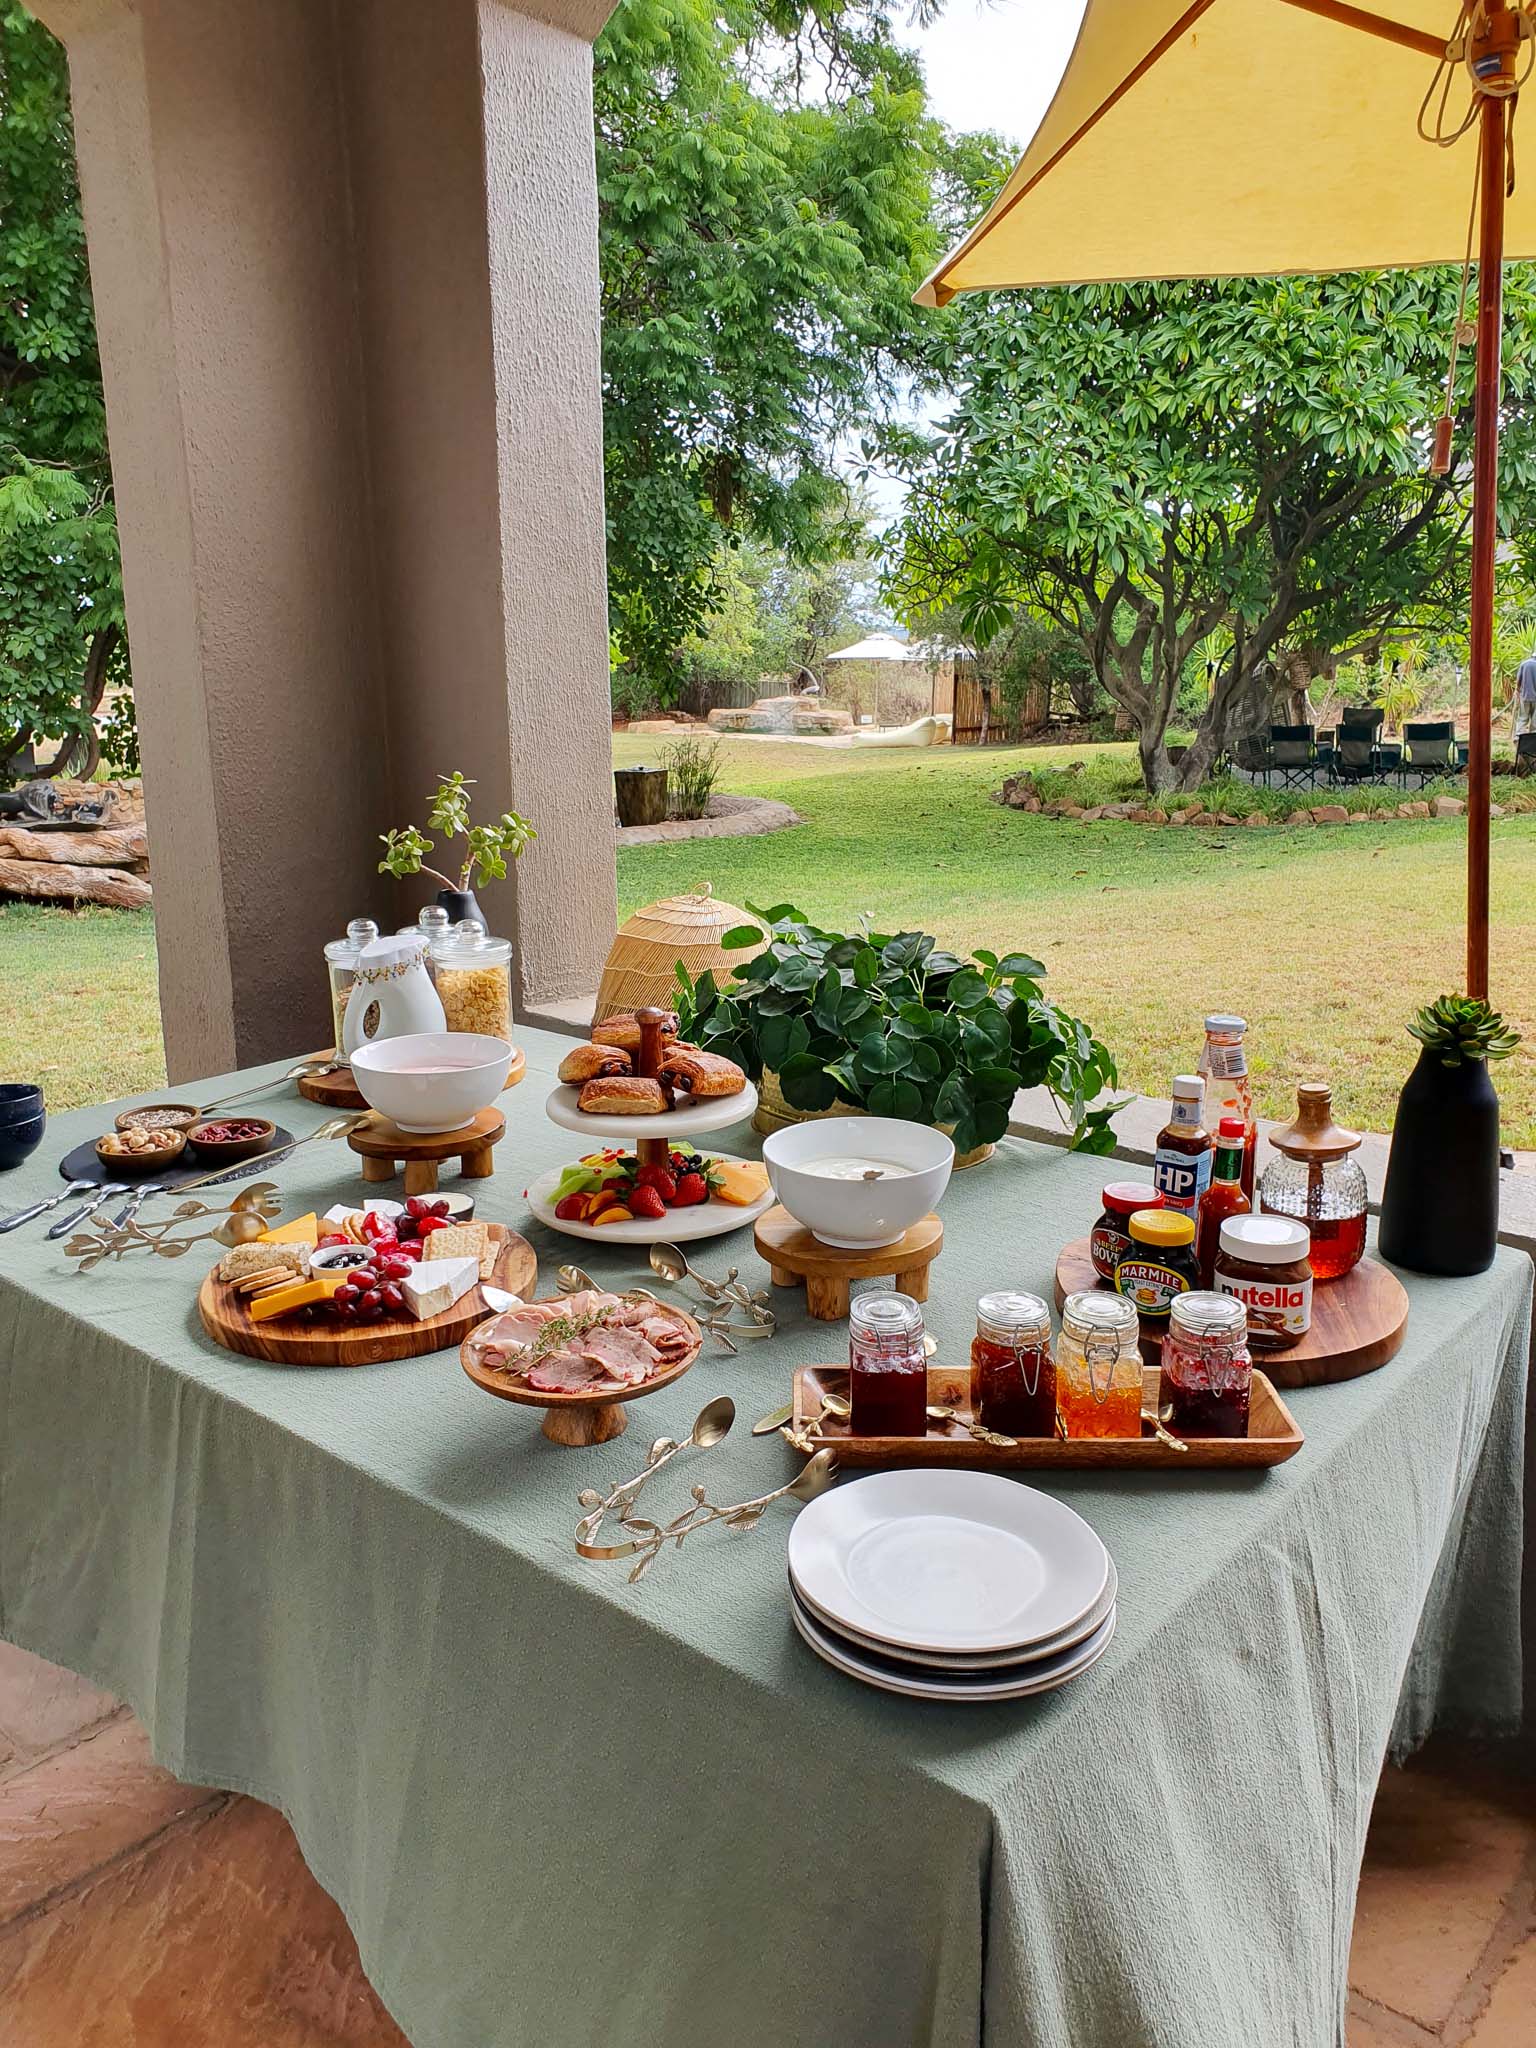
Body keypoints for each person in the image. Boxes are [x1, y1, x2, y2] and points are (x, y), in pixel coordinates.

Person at [1516, 651, 1536, 738]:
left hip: (1525, 697)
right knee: (1535, 723)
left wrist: (1518, 691)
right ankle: (1532, 743)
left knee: (1522, 719)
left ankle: (1518, 739)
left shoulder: (1524, 664)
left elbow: (1518, 681)